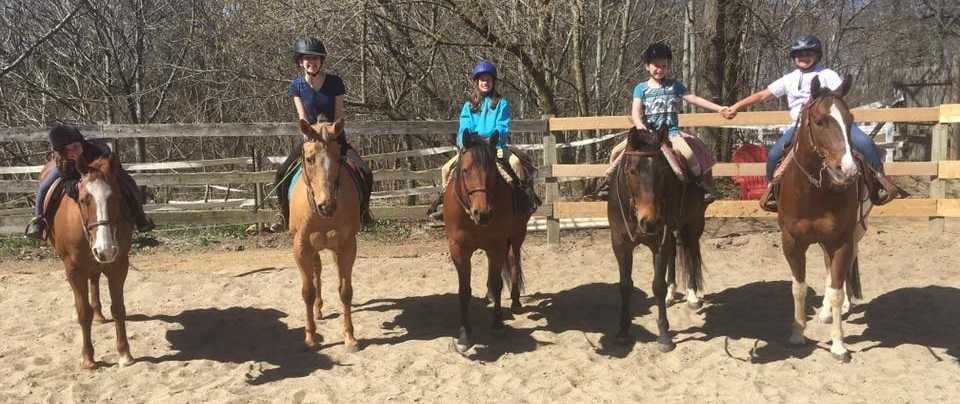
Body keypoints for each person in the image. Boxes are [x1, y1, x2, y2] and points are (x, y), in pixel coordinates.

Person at [721, 34, 900, 211]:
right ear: (793, 58)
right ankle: (773, 192)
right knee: (774, 154)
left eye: (809, 53)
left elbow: (840, 95)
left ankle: (878, 182)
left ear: (817, 56)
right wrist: (737, 106)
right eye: (799, 54)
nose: (804, 57)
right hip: (801, 126)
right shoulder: (789, 79)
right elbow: (762, 95)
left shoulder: (827, 74)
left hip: (832, 123)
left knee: (865, 142)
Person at [271, 36, 374, 231]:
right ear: (300, 62)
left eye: (316, 58)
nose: (312, 62)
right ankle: (282, 214)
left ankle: (364, 212)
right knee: (281, 173)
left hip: (336, 140)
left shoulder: (335, 83)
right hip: (311, 141)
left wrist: (331, 135)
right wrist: (312, 137)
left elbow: (338, 115)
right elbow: (303, 120)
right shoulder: (296, 87)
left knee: (366, 172)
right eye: (307, 58)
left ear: (321, 61)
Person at [604, 43, 727, 203]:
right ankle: (609, 185)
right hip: (647, 134)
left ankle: (700, 187)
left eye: (664, 66)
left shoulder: (674, 86)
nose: (660, 69)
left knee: (689, 155)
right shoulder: (641, 88)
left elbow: (694, 99)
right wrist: (638, 123)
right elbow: (635, 109)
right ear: (647, 66)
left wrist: (719, 109)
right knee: (615, 151)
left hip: (670, 132)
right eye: (656, 65)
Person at [426, 60, 540, 221]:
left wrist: (494, 137)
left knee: (515, 163)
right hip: (473, 147)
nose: (485, 83)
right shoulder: (469, 105)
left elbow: (502, 125)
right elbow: (464, 126)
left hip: (495, 146)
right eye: (482, 80)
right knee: (445, 169)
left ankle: (524, 198)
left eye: (488, 80)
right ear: (477, 82)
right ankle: (444, 206)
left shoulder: (501, 103)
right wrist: (465, 140)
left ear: (493, 82)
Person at [24, 124, 155, 240]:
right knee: (43, 188)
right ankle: (38, 221)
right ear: (61, 152)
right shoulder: (62, 161)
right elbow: (67, 182)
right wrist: (78, 186)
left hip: (101, 170)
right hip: (73, 173)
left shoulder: (97, 150)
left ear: (81, 142)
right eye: (67, 150)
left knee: (128, 181)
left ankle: (140, 215)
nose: (73, 152)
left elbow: (108, 169)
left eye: (75, 146)